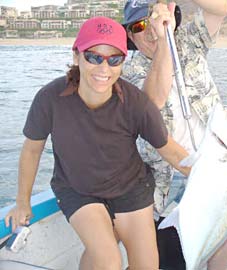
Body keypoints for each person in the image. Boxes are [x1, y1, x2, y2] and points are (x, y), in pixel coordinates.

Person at [4, 16, 191, 270]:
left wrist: (214, 175)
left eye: (114, 59)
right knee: (108, 260)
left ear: (122, 62)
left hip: (130, 187)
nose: (104, 69)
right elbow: (32, 149)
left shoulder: (136, 103)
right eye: (94, 57)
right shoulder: (50, 98)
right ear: (76, 56)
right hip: (77, 189)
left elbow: (170, 150)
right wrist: (22, 201)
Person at [122, 1, 227, 270]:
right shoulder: (126, 74)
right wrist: (165, 38)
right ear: (130, 35)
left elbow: (221, 8)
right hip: (170, 183)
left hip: (218, 169)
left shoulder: (190, 41)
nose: (151, 30)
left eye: (156, 19)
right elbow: (152, 101)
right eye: (141, 26)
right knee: (172, 260)